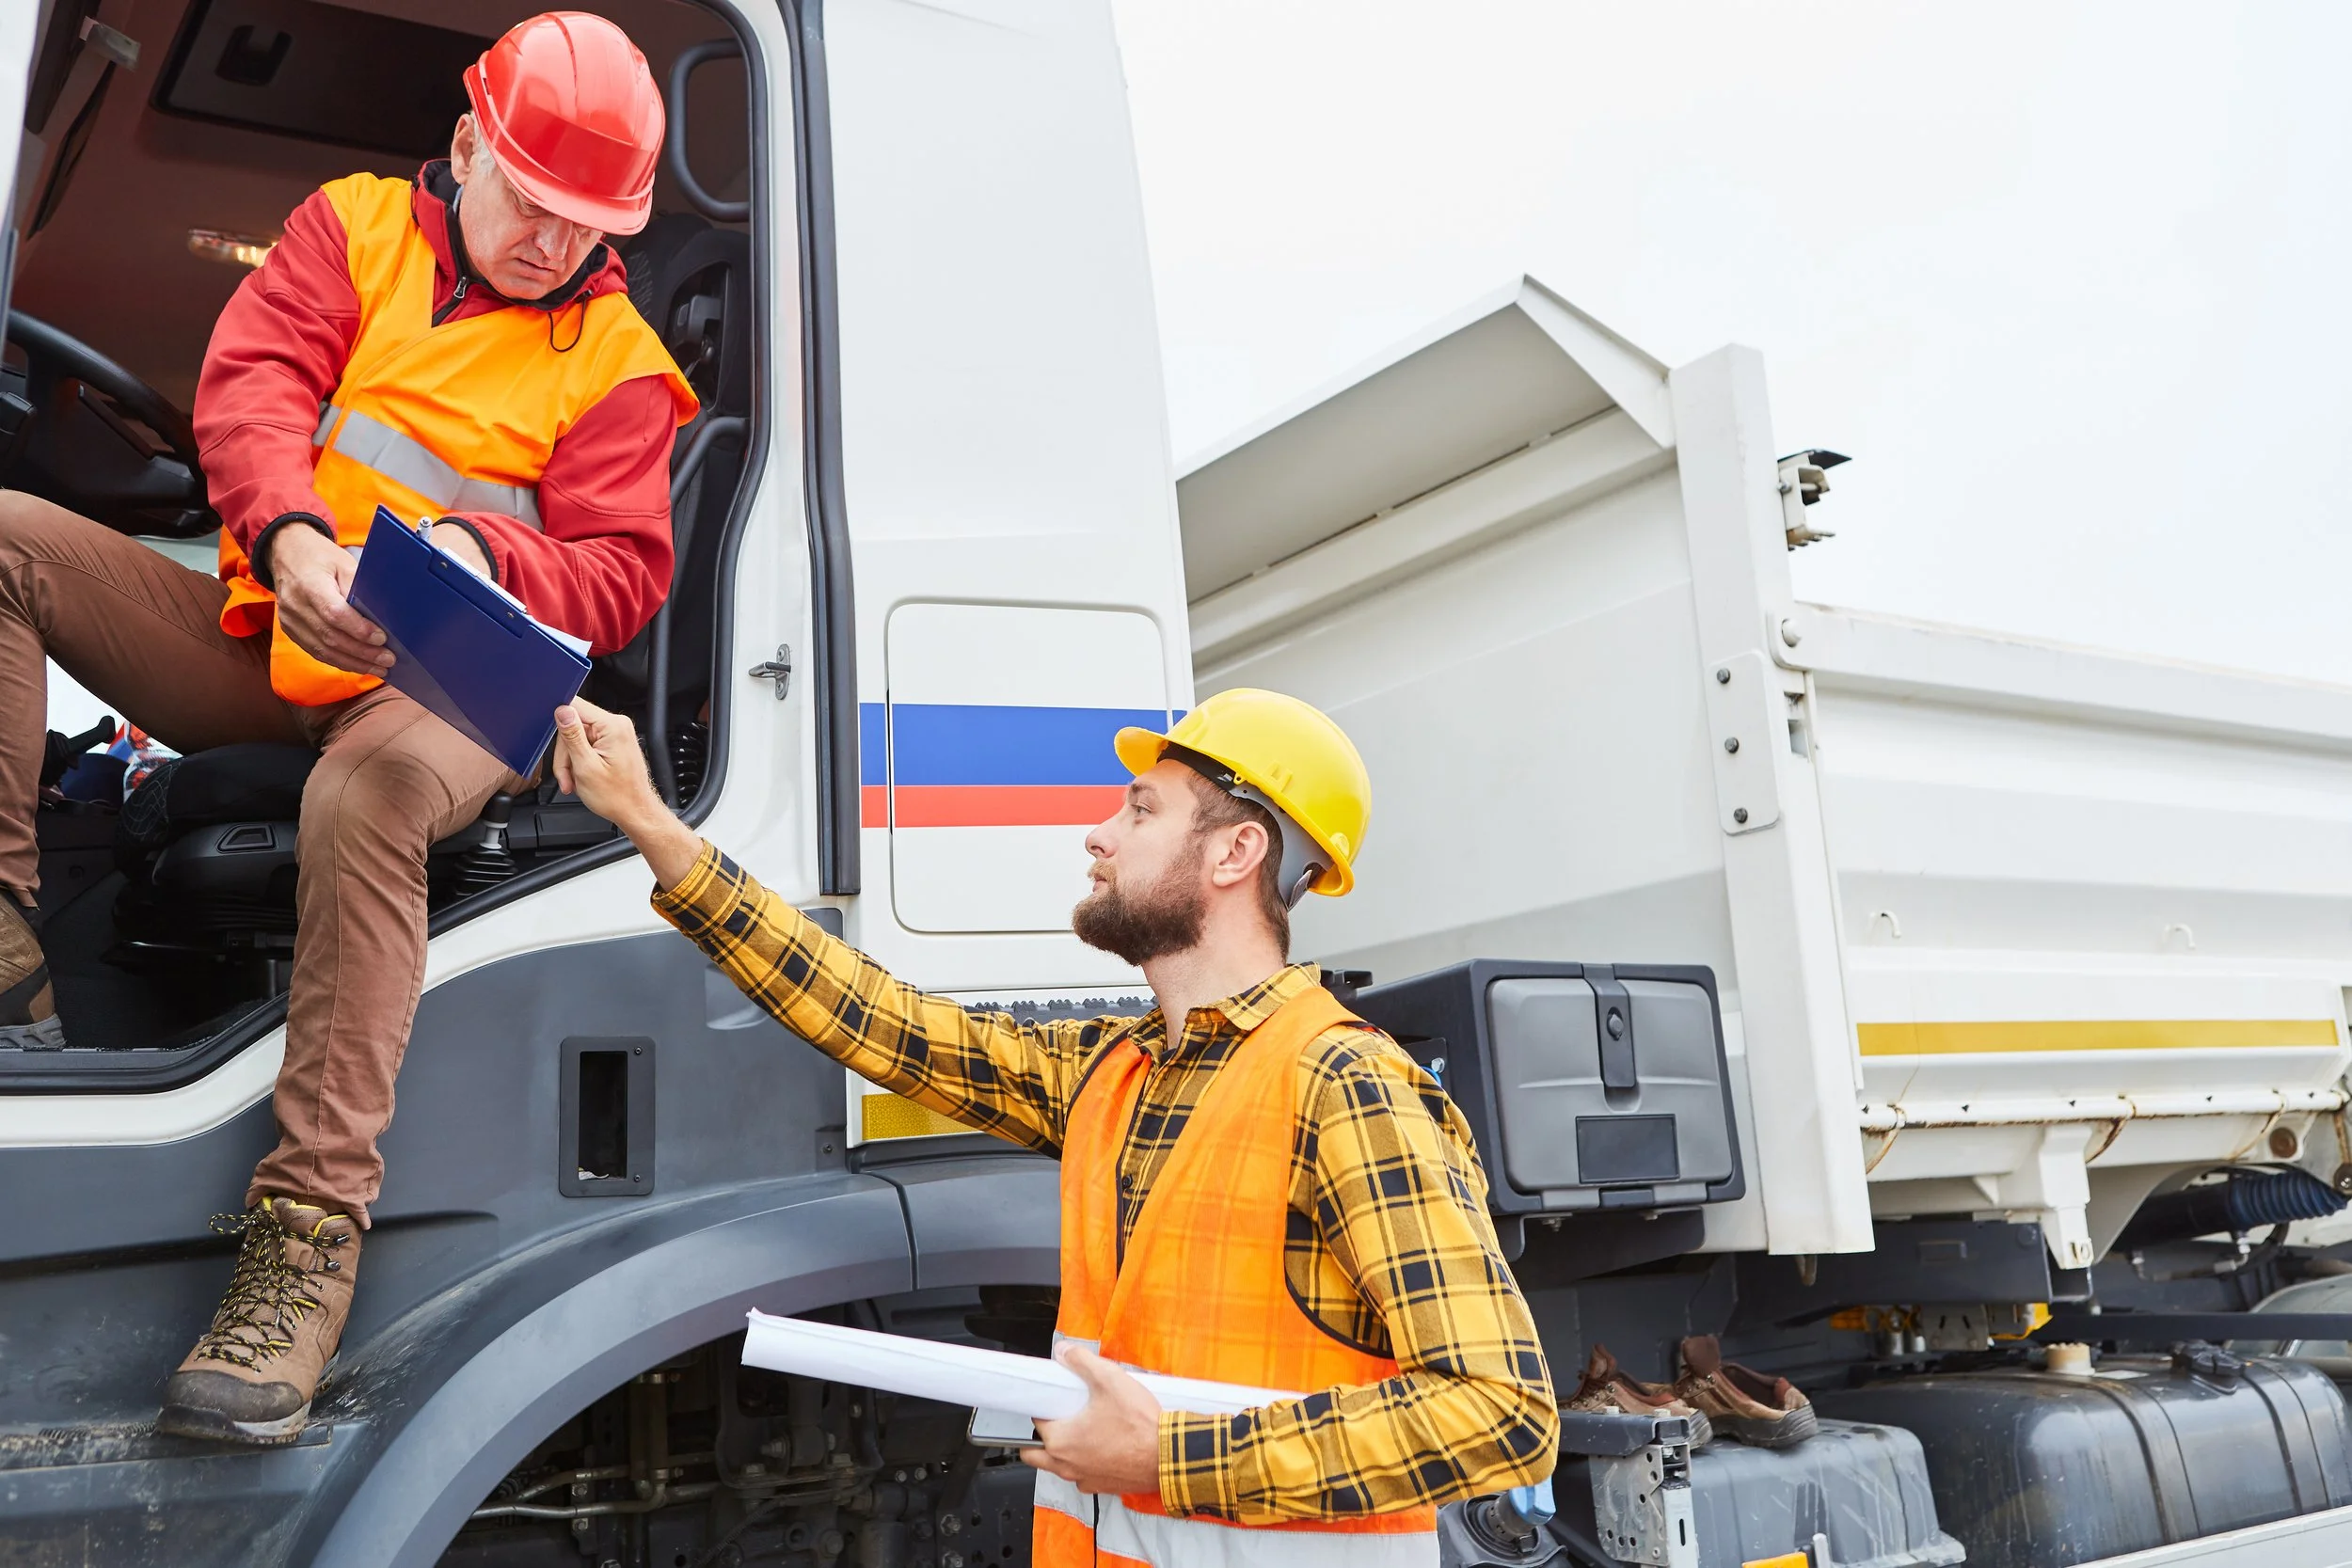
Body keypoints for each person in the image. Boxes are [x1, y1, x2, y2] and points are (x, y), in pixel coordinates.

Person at [0, 13, 696, 1444]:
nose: (554, 244)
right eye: (532, 203)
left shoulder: (619, 360)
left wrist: (489, 562)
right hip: (289, 624)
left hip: (457, 688)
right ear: (464, 148)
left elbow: (624, 570)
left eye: (586, 225)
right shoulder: (352, 228)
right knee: (3, 541)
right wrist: (297, 535)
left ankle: (302, 1251)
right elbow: (252, 386)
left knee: (361, 801)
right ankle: (10, 961)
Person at [551, 687, 1559, 1561]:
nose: (1099, 834)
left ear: (1236, 850)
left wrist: (1170, 1458)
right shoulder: (1114, 1071)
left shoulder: (1346, 1082)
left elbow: (1499, 1413)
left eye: (1139, 808)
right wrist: (654, 824)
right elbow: (890, 1024)